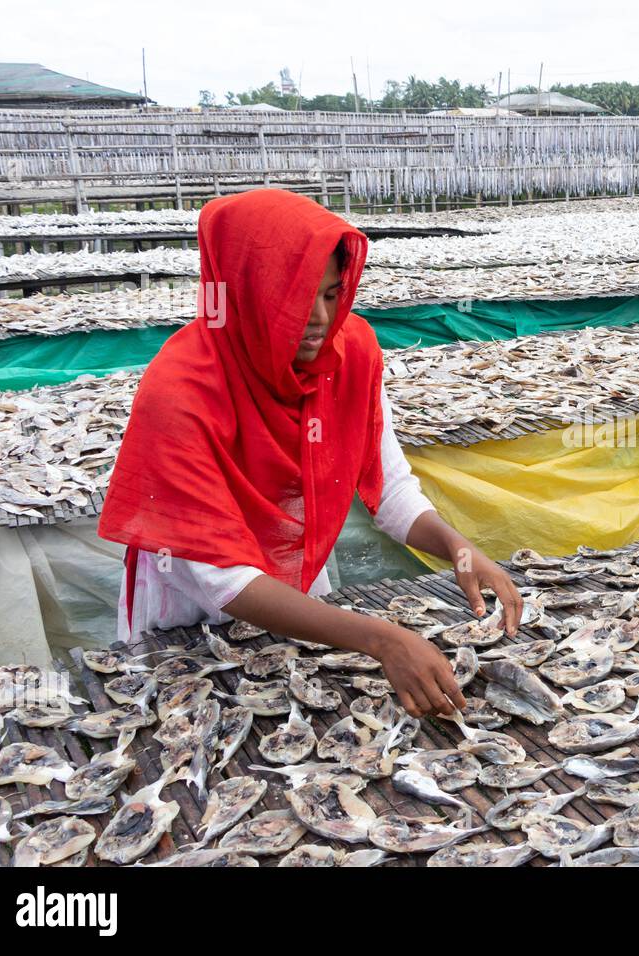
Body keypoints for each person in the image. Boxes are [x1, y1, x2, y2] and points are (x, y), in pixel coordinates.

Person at [98, 189, 522, 718]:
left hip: (299, 599)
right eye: (296, 296)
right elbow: (225, 581)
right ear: (248, 291)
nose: (321, 318)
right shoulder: (182, 387)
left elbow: (389, 490)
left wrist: (459, 550)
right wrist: (382, 639)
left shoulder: (348, 355)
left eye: (331, 294)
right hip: (187, 618)